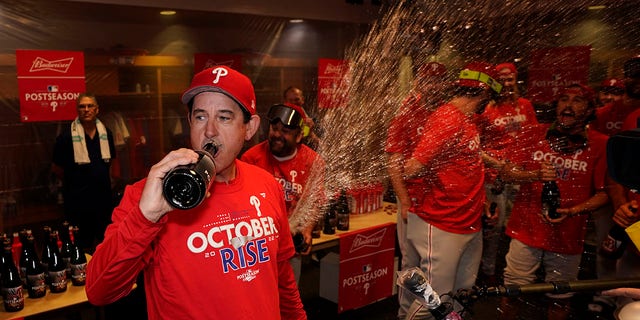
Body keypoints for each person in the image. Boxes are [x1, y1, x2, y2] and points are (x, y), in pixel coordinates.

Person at [86, 66, 307, 320]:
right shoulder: (152, 195)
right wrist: (145, 217)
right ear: (189, 122)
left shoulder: (266, 184)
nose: (210, 131)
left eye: (224, 117)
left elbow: (282, 278)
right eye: (200, 117)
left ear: (249, 128)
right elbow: (99, 291)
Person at [399, 62, 501, 319]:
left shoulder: (467, 120)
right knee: (433, 302)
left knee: (461, 297)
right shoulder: (447, 118)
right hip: (443, 223)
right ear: (485, 94)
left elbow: (465, 161)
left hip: (468, 223)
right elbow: (411, 168)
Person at [498, 84, 609, 320]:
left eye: (578, 100)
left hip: (567, 236)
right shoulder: (532, 133)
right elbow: (506, 173)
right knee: (512, 293)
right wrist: (534, 175)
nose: (568, 105)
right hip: (526, 230)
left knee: (561, 298)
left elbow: (604, 193)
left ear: (590, 109)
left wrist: (573, 211)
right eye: (564, 99)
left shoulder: (600, 144)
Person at [384, 61, 448, 319]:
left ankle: (434, 311)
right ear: (418, 83)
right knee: (412, 263)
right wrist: (405, 201)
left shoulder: (448, 112)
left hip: (442, 202)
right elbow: (394, 162)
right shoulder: (407, 111)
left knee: (435, 263)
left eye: (438, 80)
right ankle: (405, 314)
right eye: (427, 80)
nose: (433, 85)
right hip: (415, 202)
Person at [241, 102, 326, 283]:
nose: (277, 135)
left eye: (285, 131)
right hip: (257, 245)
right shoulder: (251, 158)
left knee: (287, 298)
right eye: (274, 128)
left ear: (298, 136)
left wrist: (307, 231)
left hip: (290, 244)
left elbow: (315, 201)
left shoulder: (313, 162)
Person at [475, 62, 538, 285]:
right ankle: (488, 270)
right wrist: (497, 164)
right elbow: (475, 146)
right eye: (502, 81)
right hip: (495, 177)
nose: (507, 85)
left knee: (521, 224)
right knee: (494, 226)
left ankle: (514, 269)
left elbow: (533, 139)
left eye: (510, 80)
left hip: (521, 176)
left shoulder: (525, 106)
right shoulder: (486, 109)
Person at [52, 93, 116, 253]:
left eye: (90, 106)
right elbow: (56, 168)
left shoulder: (106, 133)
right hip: (77, 201)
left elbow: (111, 161)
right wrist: (76, 181)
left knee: (105, 242)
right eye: (82, 106)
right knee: (81, 245)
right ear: (77, 110)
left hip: (103, 199)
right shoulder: (66, 136)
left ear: (97, 109)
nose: (86, 110)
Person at [283, 86, 321, 150]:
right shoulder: (277, 120)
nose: (293, 103)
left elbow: (323, 146)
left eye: (297, 99)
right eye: (290, 100)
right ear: (285, 101)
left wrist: (311, 134)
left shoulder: (314, 119)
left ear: (302, 99)